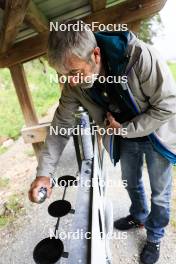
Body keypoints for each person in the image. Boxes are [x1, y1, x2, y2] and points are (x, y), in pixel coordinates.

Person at [28, 20, 176, 264]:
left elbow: (169, 104)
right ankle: (138, 215)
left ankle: (155, 236)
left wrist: (127, 129)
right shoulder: (72, 83)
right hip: (122, 133)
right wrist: (44, 173)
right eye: (63, 76)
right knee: (131, 182)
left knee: (160, 193)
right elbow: (60, 126)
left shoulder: (140, 57)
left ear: (95, 54)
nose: (70, 82)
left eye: (74, 73)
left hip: (156, 132)